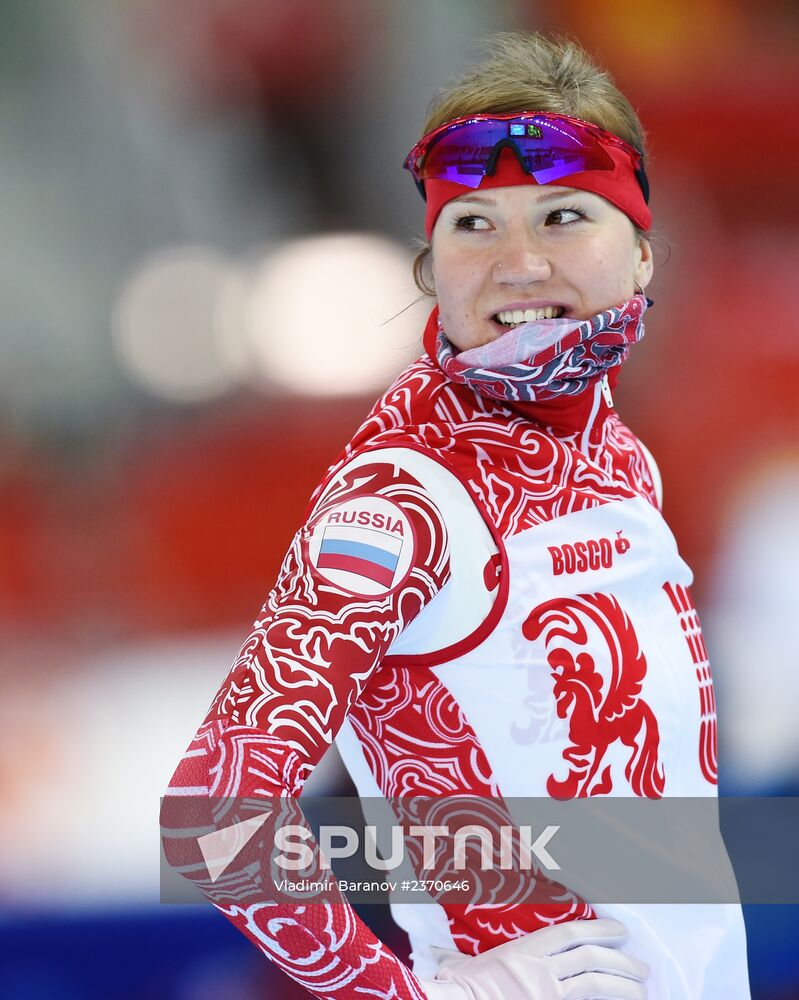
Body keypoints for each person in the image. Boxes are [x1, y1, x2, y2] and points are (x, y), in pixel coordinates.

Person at [161, 32, 751, 999]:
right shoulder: (406, 497)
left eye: (562, 217)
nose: (517, 262)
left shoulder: (614, 456)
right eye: (473, 224)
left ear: (641, 254)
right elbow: (214, 809)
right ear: (433, 266)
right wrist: (413, 995)